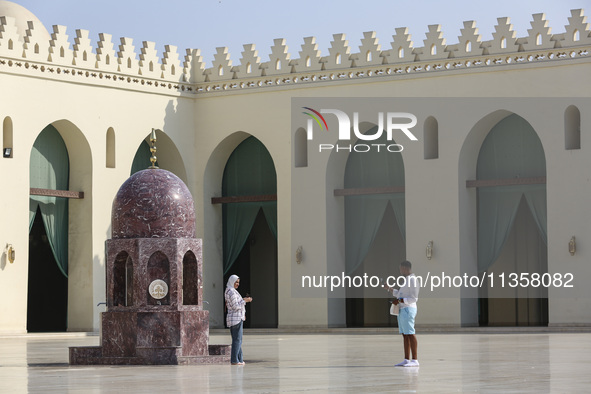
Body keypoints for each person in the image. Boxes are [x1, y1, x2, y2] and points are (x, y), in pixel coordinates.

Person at [385, 260, 419, 367]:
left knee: (410, 333)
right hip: (402, 309)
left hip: (408, 309)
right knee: (405, 335)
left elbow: (414, 298)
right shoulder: (407, 280)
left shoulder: (413, 280)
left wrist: (399, 301)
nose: (400, 270)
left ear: (405, 268)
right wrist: (389, 289)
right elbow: (400, 294)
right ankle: (406, 359)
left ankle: (415, 360)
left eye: (400, 268)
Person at [225, 275, 252, 365]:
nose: (237, 284)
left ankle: (239, 359)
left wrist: (243, 300)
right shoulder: (231, 292)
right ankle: (234, 360)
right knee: (237, 340)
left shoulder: (230, 291)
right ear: (232, 282)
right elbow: (235, 306)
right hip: (235, 318)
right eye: (236, 282)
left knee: (237, 339)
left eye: (238, 282)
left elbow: (236, 303)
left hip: (236, 318)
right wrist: (245, 301)